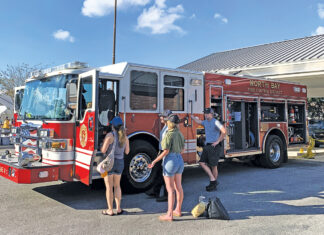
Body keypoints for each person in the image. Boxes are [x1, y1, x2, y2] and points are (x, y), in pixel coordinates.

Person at [148, 114, 185, 222]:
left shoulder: (168, 134)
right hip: (180, 160)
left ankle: (169, 215)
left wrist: (154, 161)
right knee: (179, 187)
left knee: (170, 190)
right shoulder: (180, 134)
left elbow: (166, 151)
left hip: (170, 161)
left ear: (169, 123)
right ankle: (178, 210)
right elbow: (182, 149)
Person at [191, 108, 226, 192]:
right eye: (205, 114)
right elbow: (198, 122)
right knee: (201, 162)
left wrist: (217, 141)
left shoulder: (215, 122)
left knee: (213, 166)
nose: (206, 115)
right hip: (207, 145)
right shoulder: (205, 122)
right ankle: (213, 179)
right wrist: (192, 117)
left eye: (207, 113)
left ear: (212, 114)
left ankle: (213, 183)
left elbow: (224, 131)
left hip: (214, 146)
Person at [101, 116, 130, 216]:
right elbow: (127, 151)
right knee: (117, 186)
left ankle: (110, 210)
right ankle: (118, 208)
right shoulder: (125, 137)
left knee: (109, 187)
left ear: (112, 126)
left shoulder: (110, 135)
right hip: (120, 162)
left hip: (109, 164)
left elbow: (103, 150)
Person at [146, 110, 172, 202]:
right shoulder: (165, 126)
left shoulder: (169, 128)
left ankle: (167, 195)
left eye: (163, 116)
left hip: (166, 152)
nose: (161, 117)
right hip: (161, 150)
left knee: (166, 173)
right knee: (159, 171)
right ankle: (155, 190)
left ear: (168, 117)